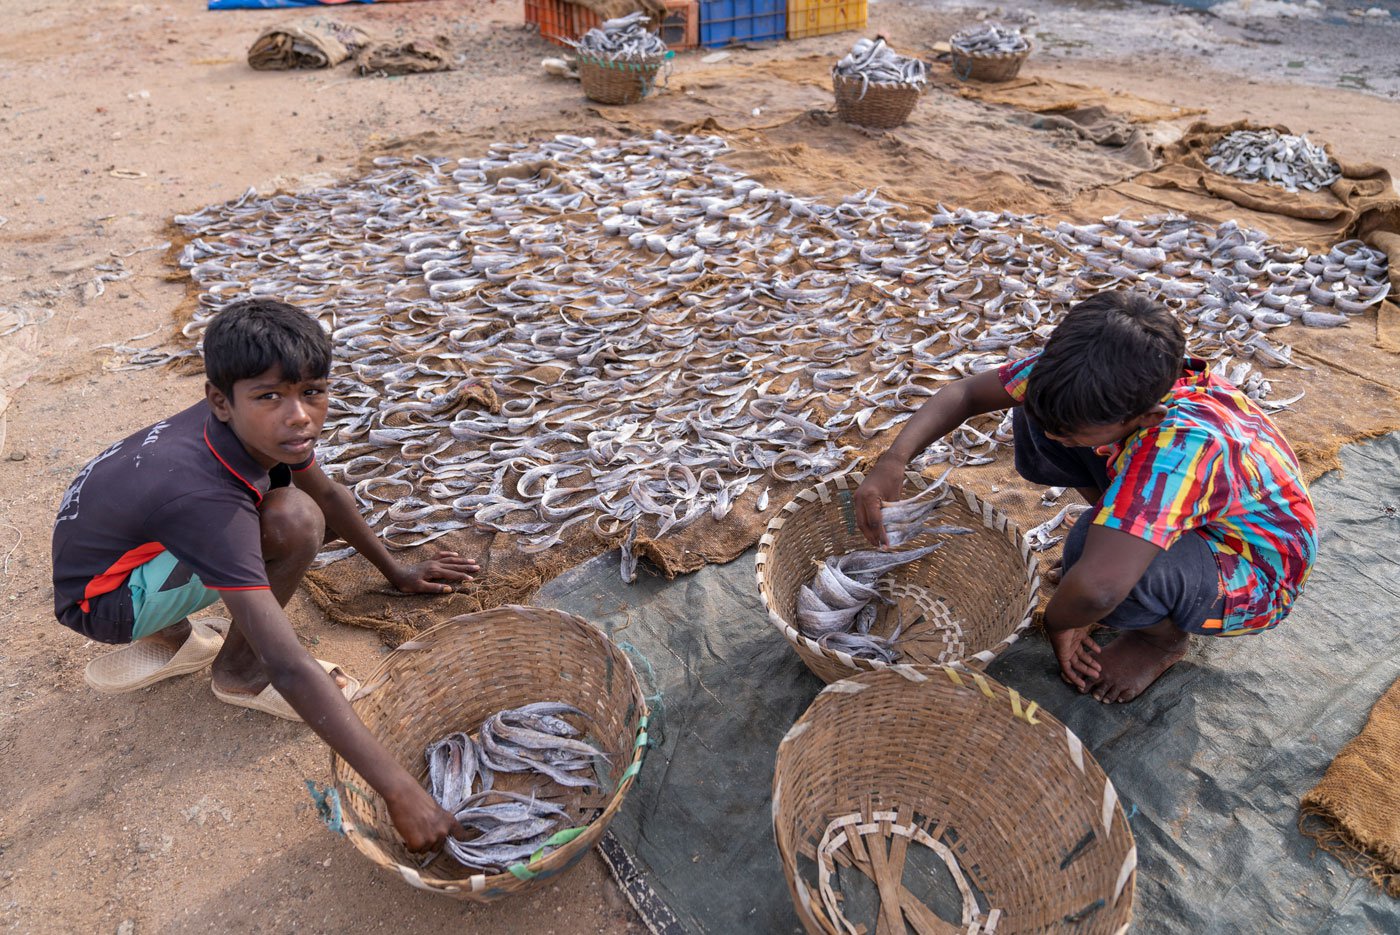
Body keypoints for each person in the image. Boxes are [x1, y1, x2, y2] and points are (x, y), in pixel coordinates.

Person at [51, 298, 478, 850]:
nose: (299, 414)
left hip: (119, 554)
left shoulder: (255, 428)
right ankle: (237, 672)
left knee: (296, 505)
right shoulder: (206, 496)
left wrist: (398, 571)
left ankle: (178, 634)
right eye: (272, 396)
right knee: (294, 523)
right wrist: (401, 791)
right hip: (102, 603)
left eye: (313, 392)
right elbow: (291, 664)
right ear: (220, 401)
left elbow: (329, 493)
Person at [854, 291, 1317, 704]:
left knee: (1087, 559)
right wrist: (894, 459)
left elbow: (1099, 590)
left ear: (1147, 416)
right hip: (1173, 498)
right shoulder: (1091, 373)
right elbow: (967, 393)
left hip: (1249, 566)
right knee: (1036, 418)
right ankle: (1121, 535)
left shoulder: (1180, 446)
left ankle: (1161, 639)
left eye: (1077, 432)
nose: (1058, 436)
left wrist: (1061, 621)